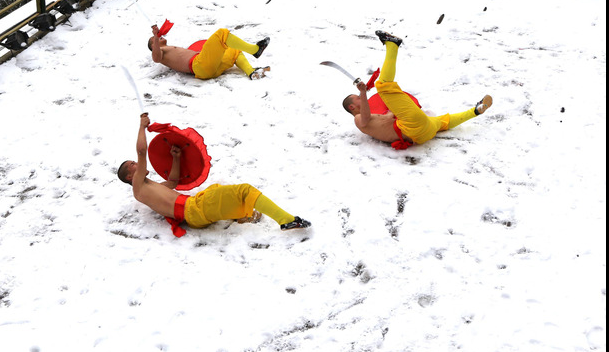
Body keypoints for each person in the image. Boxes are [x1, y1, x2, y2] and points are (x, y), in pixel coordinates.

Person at [117, 113, 311, 236]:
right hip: (193, 210)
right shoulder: (138, 188)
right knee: (244, 190)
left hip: (193, 212)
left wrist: (175, 157)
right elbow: (142, 152)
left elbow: (174, 181)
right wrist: (142, 127)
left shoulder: (151, 186)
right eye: (132, 165)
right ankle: (286, 220)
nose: (137, 164)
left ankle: (242, 215)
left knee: (217, 190)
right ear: (129, 177)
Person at [342, 31, 493, 149]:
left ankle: (475, 111)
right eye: (358, 98)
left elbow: (387, 116)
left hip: (421, 135)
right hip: (411, 126)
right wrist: (362, 92)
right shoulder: (358, 119)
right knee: (383, 85)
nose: (363, 98)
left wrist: (392, 107)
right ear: (352, 107)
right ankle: (392, 45)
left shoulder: (371, 119)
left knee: (442, 122)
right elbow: (366, 117)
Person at [148, 24, 271, 80]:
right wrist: (155, 38)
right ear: (153, 46)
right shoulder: (160, 52)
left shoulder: (167, 49)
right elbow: (156, 58)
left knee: (234, 50)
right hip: (199, 66)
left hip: (207, 69)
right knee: (221, 34)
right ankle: (255, 50)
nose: (158, 37)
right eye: (154, 39)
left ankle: (251, 72)